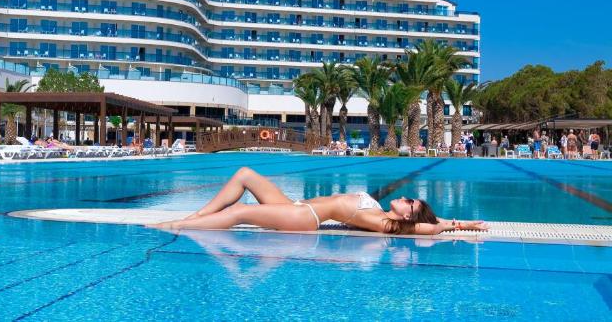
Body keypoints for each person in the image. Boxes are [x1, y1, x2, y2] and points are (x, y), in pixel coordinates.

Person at [150, 167, 487, 235]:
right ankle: (196, 214)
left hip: (306, 218)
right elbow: (430, 222)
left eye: (409, 202)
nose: (404, 197)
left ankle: (181, 225)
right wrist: (464, 222)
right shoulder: (380, 210)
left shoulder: (386, 223)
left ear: (408, 217)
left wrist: (456, 227)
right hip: (299, 204)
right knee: (245, 174)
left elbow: (428, 229)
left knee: (240, 212)